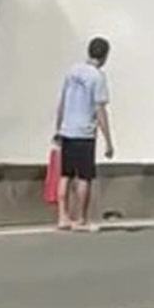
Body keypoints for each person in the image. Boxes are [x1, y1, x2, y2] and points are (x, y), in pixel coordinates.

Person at [52, 36, 114, 233]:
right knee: (84, 177)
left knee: (65, 175)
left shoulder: (72, 71)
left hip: (67, 129)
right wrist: (108, 141)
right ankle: (81, 219)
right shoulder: (97, 77)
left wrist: (58, 128)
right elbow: (100, 110)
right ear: (104, 56)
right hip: (84, 132)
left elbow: (62, 101)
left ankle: (62, 216)